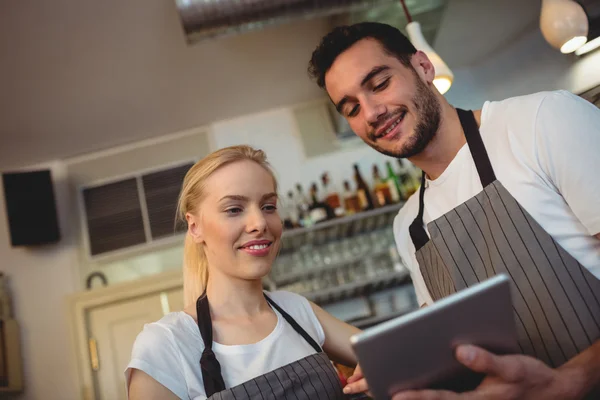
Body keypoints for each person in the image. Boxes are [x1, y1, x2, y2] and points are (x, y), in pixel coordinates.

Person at [308, 22, 600, 400]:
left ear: (424, 68)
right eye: (351, 108)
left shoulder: (542, 121)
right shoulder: (409, 226)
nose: (372, 112)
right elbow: (458, 351)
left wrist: (570, 382)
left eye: (380, 84)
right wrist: (403, 364)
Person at [125, 145, 369, 399]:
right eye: (234, 209)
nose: (260, 223)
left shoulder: (297, 310)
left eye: (268, 206)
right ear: (195, 227)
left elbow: (395, 353)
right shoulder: (167, 344)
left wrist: (381, 372)